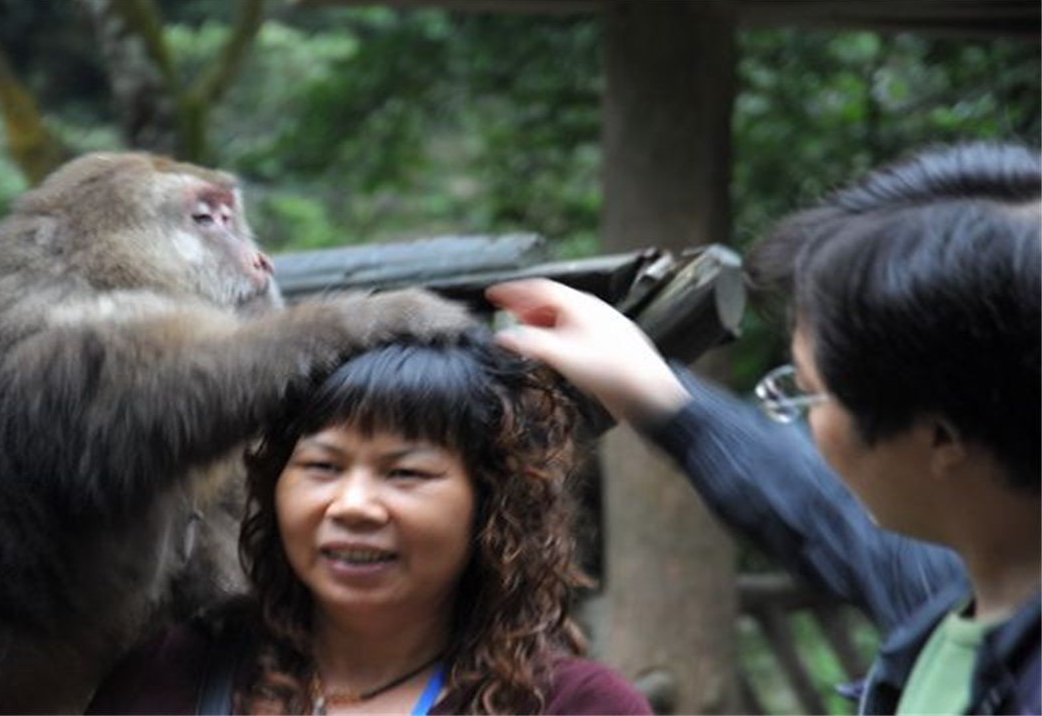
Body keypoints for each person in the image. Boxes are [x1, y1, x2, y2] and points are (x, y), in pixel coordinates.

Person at [487, 141, 1041, 715]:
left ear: (940, 437)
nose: (800, 419)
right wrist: (657, 393)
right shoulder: (977, 587)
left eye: (807, 390)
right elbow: (822, 513)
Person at [87, 331, 652, 715]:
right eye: (323, 467)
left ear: (491, 503)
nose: (352, 505)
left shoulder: (575, 705)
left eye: (405, 473)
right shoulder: (170, 677)